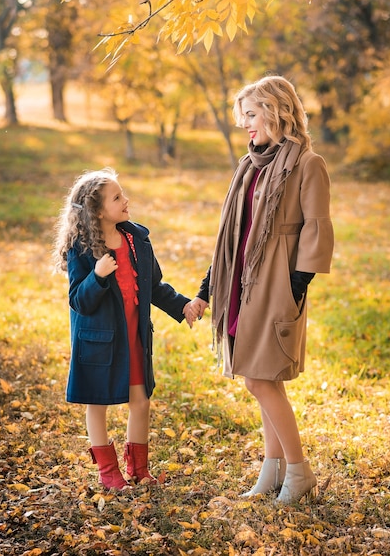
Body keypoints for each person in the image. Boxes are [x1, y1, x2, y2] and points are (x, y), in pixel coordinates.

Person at [191, 75, 334, 504]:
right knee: (262, 378)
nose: (246, 125)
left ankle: (299, 471)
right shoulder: (250, 165)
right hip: (242, 282)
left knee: (260, 378)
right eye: (243, 117)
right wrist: (206, 287)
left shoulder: (308, 164)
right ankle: (272, 471)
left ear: (276, 111)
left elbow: (318, 230)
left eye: (251, 115)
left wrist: (295, 286)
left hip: (277, 283)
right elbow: (233, 234)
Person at [53, 167, 197, 491]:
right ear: (98, 210)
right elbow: (79, 300)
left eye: (123, 194)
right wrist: (99, 275)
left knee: (141, 401)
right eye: (117, 197)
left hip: (134, 337)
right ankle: (108, 472)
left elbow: (154, 286)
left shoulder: (136, 240)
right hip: (99, 341)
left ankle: (139, 468)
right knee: (97, 404)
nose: (125, 199)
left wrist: (183, 305)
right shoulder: (82, 248)